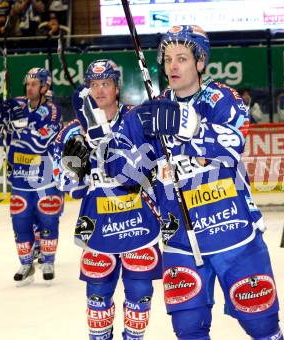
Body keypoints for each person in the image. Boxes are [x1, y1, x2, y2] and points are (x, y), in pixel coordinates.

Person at [96, 25, 283, 340]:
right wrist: (121, 152)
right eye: (168, 59)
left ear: (200, 62)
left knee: (261, 323)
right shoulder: (150, 111)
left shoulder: (221, 97)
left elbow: (234, 143)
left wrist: (189, 126)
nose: (172, 66)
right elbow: (119, 169)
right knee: (188, 330)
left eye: (181, 58)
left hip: (232, 231)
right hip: (179, 238)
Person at [53, 59, 162, 340]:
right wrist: (75, 166)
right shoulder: (72, 131)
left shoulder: (138, 120)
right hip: (98, 225)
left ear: (117, 88)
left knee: (139, 298)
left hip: (139, 222)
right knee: (97, 300)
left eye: (106, 84)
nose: (99, 90)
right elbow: (64, 184)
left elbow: (155, 169)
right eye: (93, 85)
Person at [0, 67, 63, 286]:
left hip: (44, 178)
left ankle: (48, 260)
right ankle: (25, 263)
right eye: (27, 84)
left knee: (48, 219)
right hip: (21, 179)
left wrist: (19, 128)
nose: (29, 88)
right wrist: (1, 120)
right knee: (20, 222)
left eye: (34, 84)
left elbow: (39, 142)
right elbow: (0, 136)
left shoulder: (53, 111)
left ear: (45, 87)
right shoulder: (16, 105)